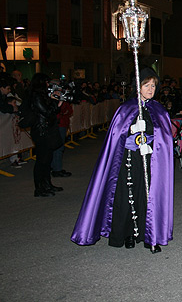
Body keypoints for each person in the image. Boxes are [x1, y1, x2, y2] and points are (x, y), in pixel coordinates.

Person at [71, 67, 173, 253]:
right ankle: (127, 234)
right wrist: (132, 131)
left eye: (153, 86)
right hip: (128, 159)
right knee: (127, 195)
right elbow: (116, 136)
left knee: (148, 196)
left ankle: (150, 235)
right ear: (138, 86)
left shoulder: (158, 109)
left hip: (150, 160)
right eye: (146, 85)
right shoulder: (126, 108)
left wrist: (152, 142)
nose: (150, 89)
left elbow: (165, 137)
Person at [23, 73, 65, 197]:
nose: (48, 85)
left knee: (47, 159)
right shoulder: (36, 96)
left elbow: (51, 112)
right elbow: (47, 112)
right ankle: (39, 188)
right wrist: (55, 101)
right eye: (46, 82)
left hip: (47, 130)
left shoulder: (41, 95)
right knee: (42, 160)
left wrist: (55, 101)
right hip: (41, 131)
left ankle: (47, 184)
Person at [51, 81, 73, 178]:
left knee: (58, 147)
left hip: (62, 123)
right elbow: (62, 110)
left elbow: (69, 111)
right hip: (58, 124)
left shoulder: (62, 96)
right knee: (58, 148)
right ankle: (57, 169)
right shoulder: (53, 97)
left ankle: (55, 167)